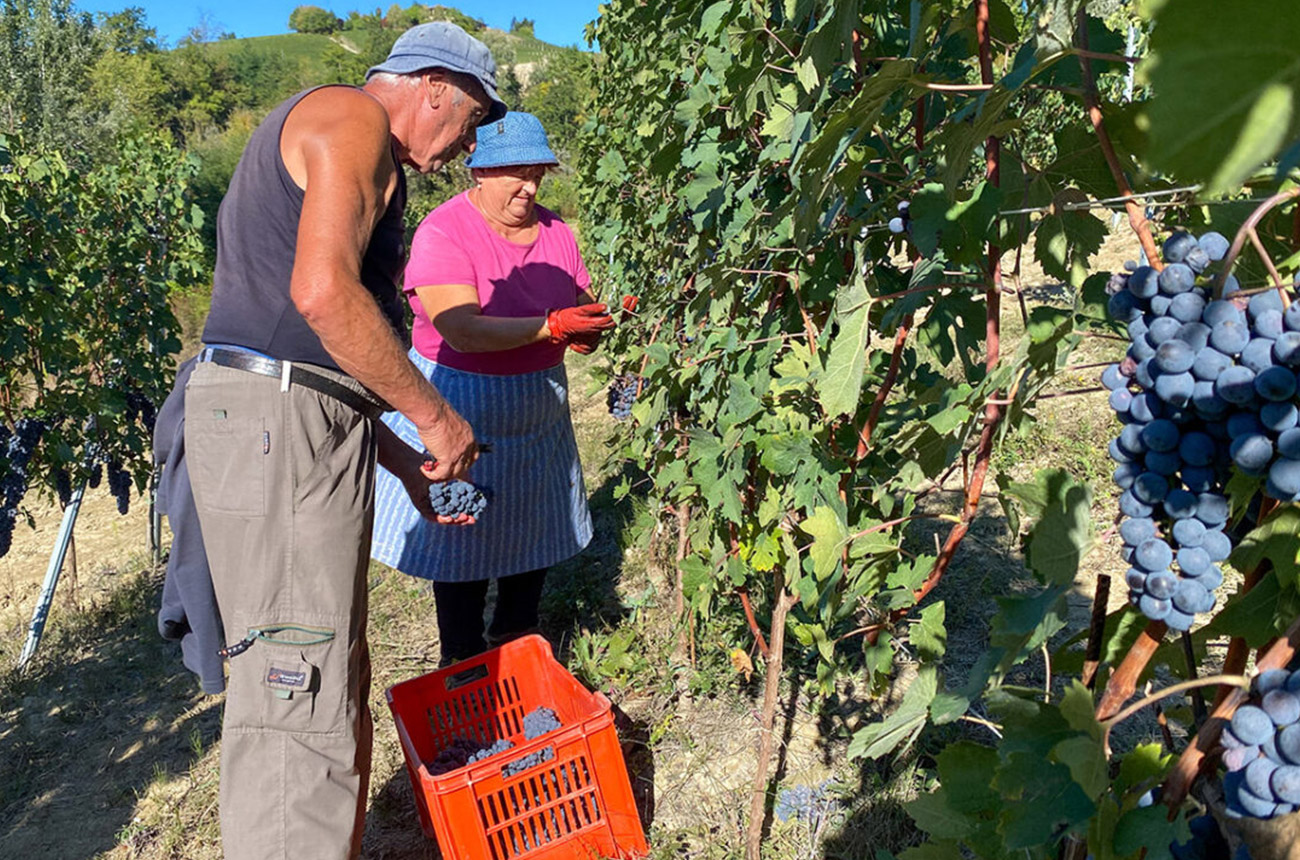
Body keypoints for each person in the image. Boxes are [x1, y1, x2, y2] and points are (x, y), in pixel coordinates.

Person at [180, 21, 506, 860]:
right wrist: (436, 417)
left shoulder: (333, 132)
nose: (458, 149)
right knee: (299, 684)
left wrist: (405, 465)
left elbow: (313, 351)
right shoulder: (356, 122)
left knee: (315, 666)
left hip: (281, 419)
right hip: (276, 423)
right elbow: (323, 297)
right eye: (466, 125)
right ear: (434, 87)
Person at [369, 111, 614, 665]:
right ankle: (461, 658)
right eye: (515, 173)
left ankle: (516, 636)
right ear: (478, 171)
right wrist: (550, 326)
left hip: (537, 410)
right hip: (461, 404)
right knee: (463, 534)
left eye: (539, 173)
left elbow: (573, 303)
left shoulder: (558, 233)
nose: (530, 186)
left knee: (534, 524)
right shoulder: (444, 231)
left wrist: (584, 329)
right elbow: (460, 329)